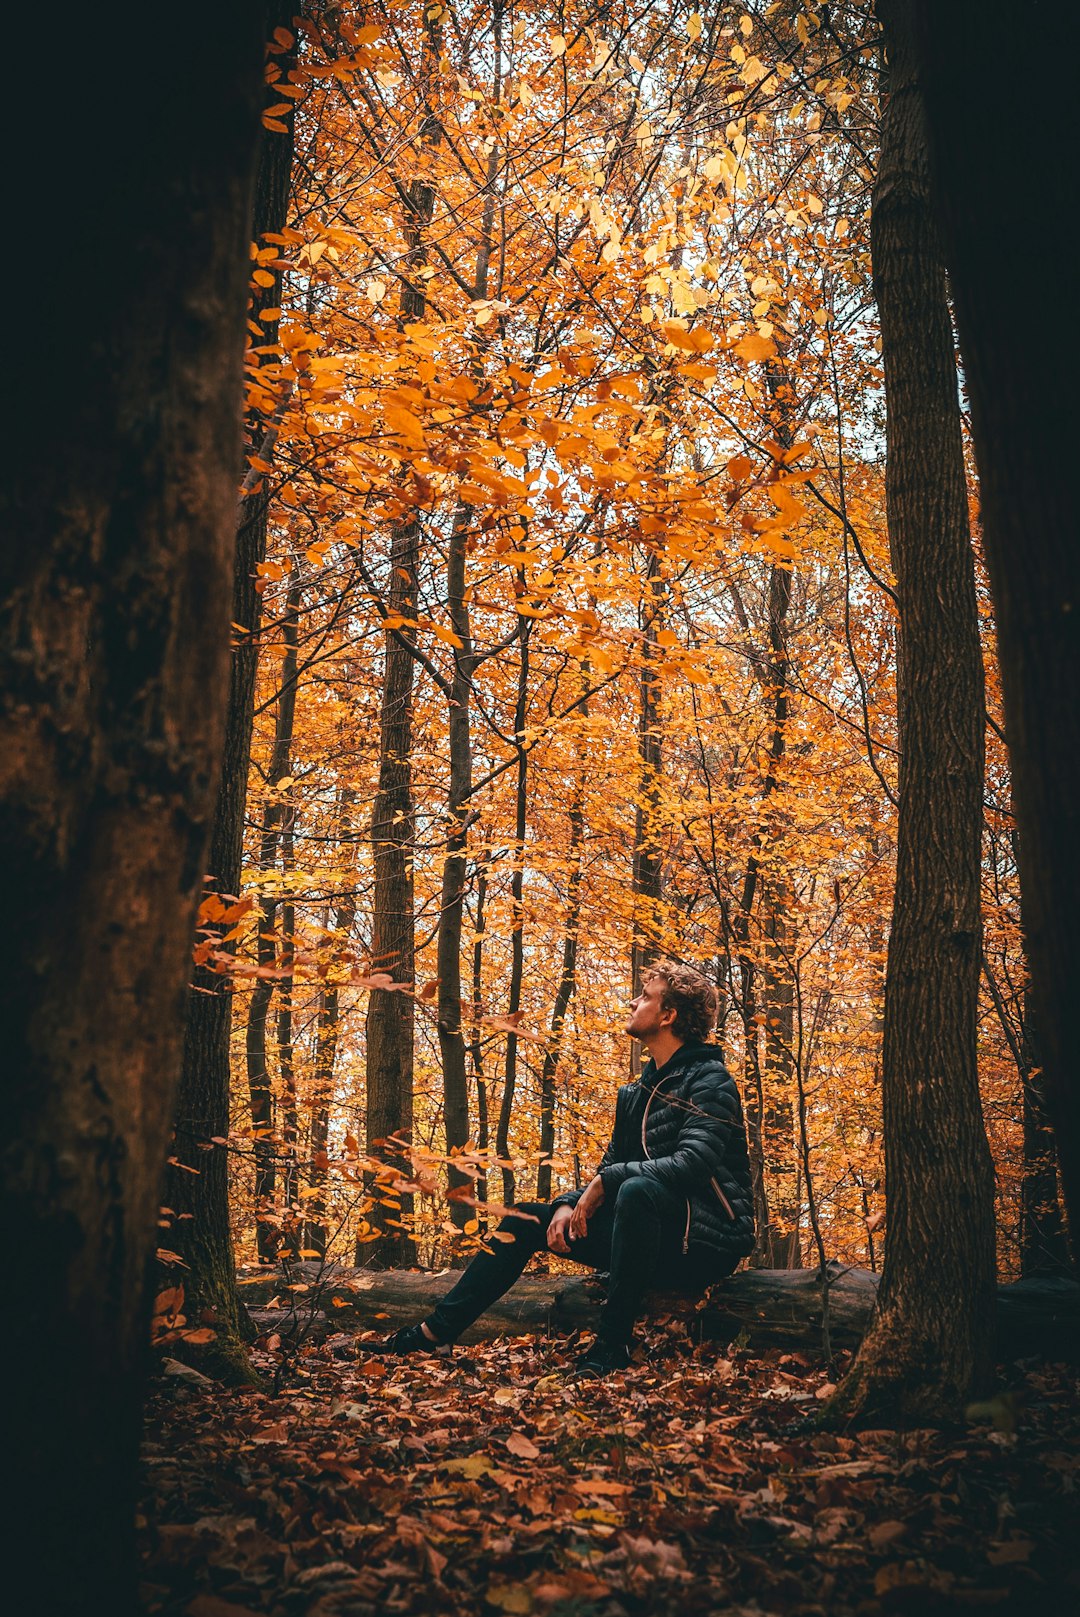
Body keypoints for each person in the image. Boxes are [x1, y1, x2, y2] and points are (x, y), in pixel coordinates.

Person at [370, 959, 755, 1377]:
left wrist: (607, 1182)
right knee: (524, 1217)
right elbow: (607, 1168)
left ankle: (611, 1346)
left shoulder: (710, 1079)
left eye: (645, 997)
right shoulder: (637, 1092)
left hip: (704, 1243)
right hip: (644, 1236)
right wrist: (566, 1205)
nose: (633, 1001)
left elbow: (692, 1164)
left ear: (668, 1015)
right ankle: (434, 1333)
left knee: (635, 1189)